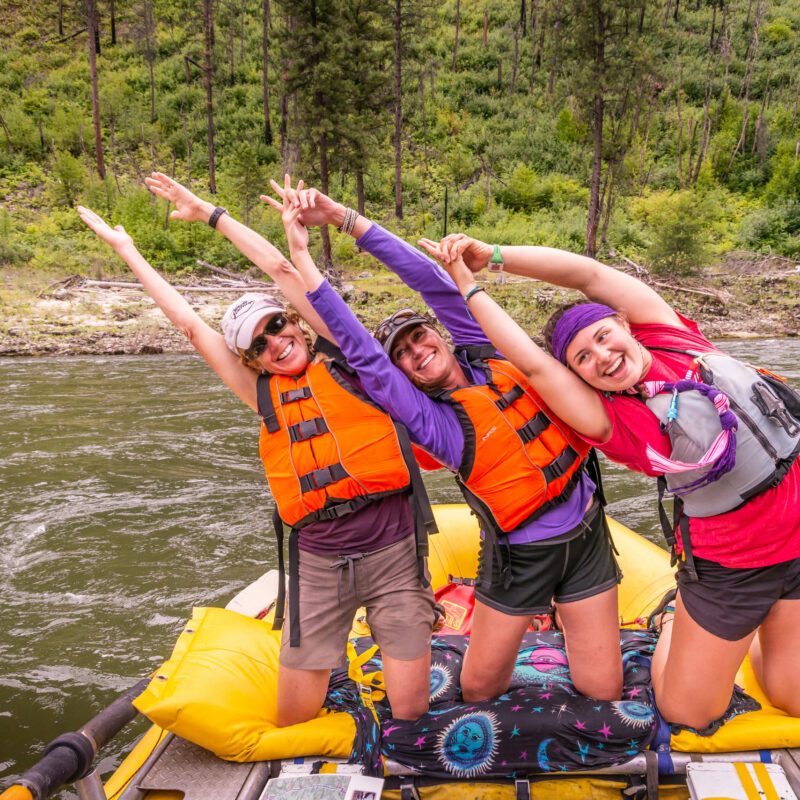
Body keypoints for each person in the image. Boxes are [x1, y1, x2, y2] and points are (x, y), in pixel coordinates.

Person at [76, 182, 438, 727]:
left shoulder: (347, 360)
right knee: (293, 719)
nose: (275, 341)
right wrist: (128, 250)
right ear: (253, 360)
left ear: (295, 322)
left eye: (277, 325)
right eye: (258, 344)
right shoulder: (263, 394)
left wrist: (211, 215)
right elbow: (190, 326)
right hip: (318, 563)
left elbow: (284, 272)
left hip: (393, 549)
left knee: (410, 711)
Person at [261, 179, 624, 704]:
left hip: (587, 532)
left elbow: (433, 282)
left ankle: (562, 630)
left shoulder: (485, 350)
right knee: (478, 690)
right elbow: (364, 354)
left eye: (419, 337)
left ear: (438, 334)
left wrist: (344, 218)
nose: (416, 351)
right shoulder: (438, 424)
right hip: (522, 555)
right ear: (403, 374)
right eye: (403, 354)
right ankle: (531, 628)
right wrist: (304, 261)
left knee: (603, 690)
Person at [417, 231, 800, 730]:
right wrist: (467, 285)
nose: (602, 356)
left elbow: (589, 276)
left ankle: (754, 634)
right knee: (688, 712)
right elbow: (530, 363)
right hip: (732, 566)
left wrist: (495, 257)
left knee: (791, 696)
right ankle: (674, 623)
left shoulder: (671, 334)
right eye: (582, 359)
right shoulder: (608, 422)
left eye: (602, 336)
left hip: (795, 543)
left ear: (623, 324)